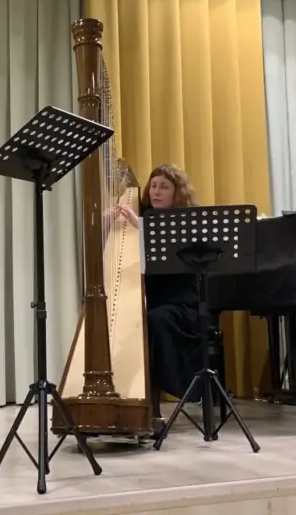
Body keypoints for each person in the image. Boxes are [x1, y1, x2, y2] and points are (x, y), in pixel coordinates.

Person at [114, 163, 201, 433]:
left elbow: (171, 254)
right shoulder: (142, 218)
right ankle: (123, 403)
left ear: (177, 193)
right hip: (152, 303)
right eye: (153, 185)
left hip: (180, 306)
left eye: (164, 187)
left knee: (154, 322)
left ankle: (153, 409)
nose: (156, 191)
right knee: (134, 321)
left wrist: (140, 226)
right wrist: (105, 220)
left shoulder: (185, 224)